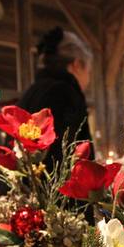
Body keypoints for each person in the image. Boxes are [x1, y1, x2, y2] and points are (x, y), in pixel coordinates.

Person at [18, 27, 93, 171]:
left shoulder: (31, 91)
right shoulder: (66, 92)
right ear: (76, 65)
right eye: (88, 72)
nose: (88, 79)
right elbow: (66, 154)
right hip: (55, 190)